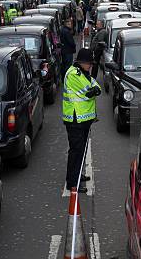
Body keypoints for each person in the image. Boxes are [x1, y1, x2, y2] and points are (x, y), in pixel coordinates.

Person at [63, 48, 102, 193]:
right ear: (81, 62)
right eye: (89, 63)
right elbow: (87, 91)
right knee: (76, 151)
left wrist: (94, 89)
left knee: (81, 150)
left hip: (83, 118)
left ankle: (78, 176)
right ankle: (73, 183)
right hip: (75, 119)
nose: (90, 66)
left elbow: (96, 86)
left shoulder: (84, 73)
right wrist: (93, 90)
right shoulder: (73, 74)